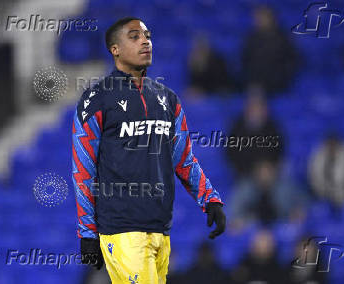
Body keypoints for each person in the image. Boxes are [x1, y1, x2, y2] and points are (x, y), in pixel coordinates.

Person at [72, 17, 226, 284]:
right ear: (115, 49)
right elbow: (83, 167)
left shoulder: (168, 99)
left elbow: (183, 159)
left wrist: (209, 199)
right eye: (134, 36)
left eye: (147, 35)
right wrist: (87, 233)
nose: (145, 41)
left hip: (160, 229)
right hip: (122, 230)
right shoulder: (96, 98)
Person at [242, 5, 298, 94]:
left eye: (263, 17)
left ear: (271, 18)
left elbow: (292, 61)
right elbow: (245, 60)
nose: (260, 20)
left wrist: (282, 76)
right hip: (256, 83)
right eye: (258, 18)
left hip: (278, 83)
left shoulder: (283, 39)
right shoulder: (251, 38)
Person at [308, 133, 344, 208]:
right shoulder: (318, 156)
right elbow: (314, 177)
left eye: (334, 144)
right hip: (321, 192)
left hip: (343, 193)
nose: (332, 147)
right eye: (329, 144)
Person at [187, 33, 235, 97]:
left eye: (202, 46)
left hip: (221, 93)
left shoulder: (218, 62)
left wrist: (202, 91)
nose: (199, 50)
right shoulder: (193, 62)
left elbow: (219, 84)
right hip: (205, 94)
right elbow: (194, 84)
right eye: (197, 47)